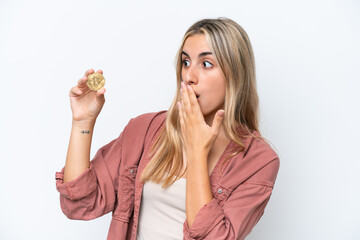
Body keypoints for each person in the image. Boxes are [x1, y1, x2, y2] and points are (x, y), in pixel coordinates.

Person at [55, 17, 280, 240]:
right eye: (186, 62)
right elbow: (78, 203)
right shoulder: (145, 130)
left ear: (235, 75)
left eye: (206, 64)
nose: (189, 76)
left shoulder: (258, 161)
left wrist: (196, 151)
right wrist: (82, 122)